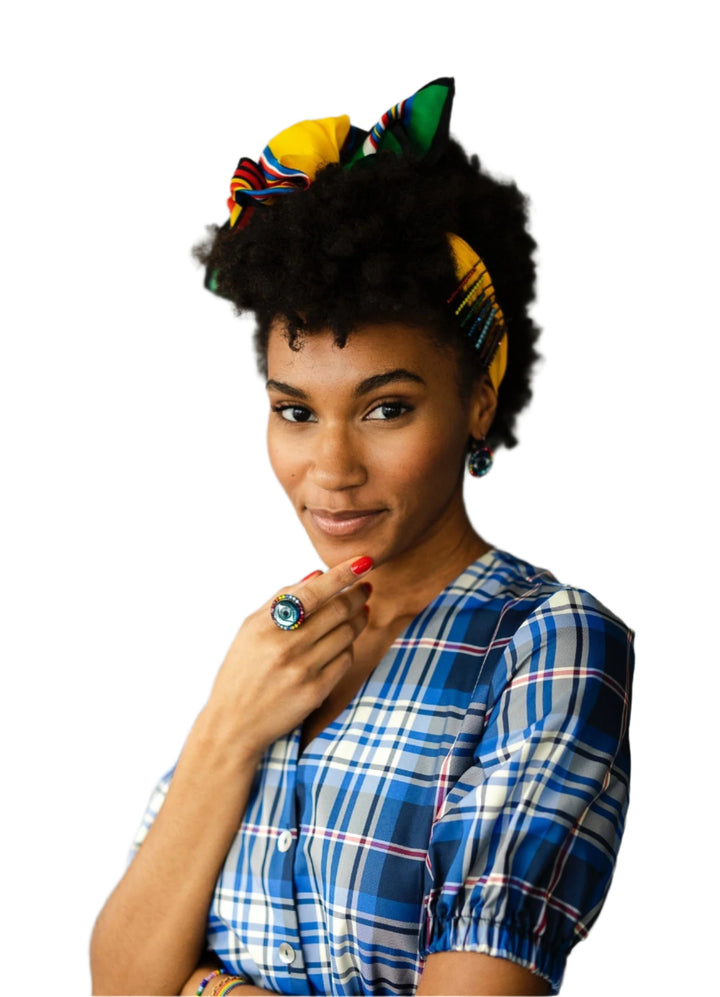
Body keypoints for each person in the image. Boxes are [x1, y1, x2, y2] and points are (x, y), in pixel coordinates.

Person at [90, 78, 634, 996]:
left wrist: (205, 988)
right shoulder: (278, 648)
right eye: (296, 411)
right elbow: (117, 980)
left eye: (386, 408)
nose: (331, 467)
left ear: (478, 402)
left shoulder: (545, 643)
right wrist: (228, 726)